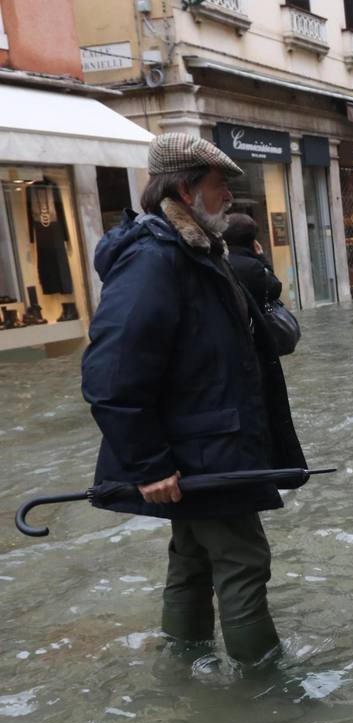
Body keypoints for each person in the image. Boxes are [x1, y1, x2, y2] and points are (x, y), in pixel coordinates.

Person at [81, 133, 309, 665]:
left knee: (192, 560)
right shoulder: (155, 261)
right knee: (243, 560)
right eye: (217, 186)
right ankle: (266, 691)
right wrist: (147, 464)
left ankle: (183, 667)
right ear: (185, 189)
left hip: (205, 449)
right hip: (200, 454)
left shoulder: (194, 253)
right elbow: (110, 375)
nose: (228, 197)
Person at [222, 214, 283, 308]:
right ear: (253, 242)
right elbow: (275, 289)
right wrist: (261, 257)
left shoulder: (218, 261)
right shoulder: (253, 266)